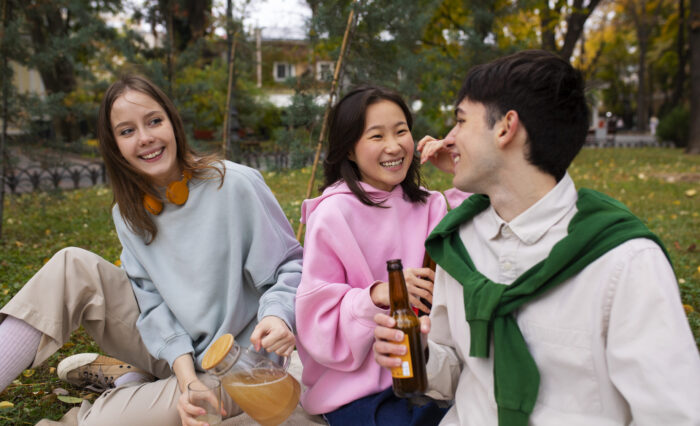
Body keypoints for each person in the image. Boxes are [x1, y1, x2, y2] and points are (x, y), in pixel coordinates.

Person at [373, 50, 700, 425]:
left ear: (505, 127)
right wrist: (422, 353)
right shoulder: (459, 245)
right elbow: (457, 372)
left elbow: (673, 414)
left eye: (461, 121)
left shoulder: (624, 263)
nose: (448, 140)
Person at [0, 74, 305, 426]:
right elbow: (154, 307)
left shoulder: (235, 184)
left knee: (101, 423)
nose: (145, 138)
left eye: (154, 121)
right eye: (127, 131)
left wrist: (277, 314)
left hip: (236, 366)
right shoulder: (128, 213)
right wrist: (186, 379)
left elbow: (290, 266)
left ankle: (129, 385)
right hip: (173, 351)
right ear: (114, 144)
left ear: (172, 124)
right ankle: (149, 380)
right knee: (72, 264)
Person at [294, 85, 450, 425]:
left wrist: (457, 168)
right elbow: (315, 317)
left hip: (428, 370)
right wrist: (377, 295)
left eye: (401, 131)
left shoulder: (431, 205)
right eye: (376, 136)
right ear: (349, 149)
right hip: (355, 388)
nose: (394, 146)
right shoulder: (332, 214)